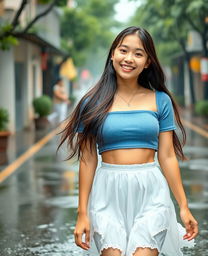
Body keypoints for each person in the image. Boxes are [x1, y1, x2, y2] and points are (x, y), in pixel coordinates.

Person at [58, 26, 198, 256]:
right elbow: (88, 159)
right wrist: (82, 212)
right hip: (106, 192)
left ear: (148, 62)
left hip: (151, 191)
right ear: (113, 53)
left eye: (138, 53)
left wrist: (184, 206)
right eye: (123, 50)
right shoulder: (92, 103)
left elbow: (167, 156)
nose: (129, 59)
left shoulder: (160, 100)